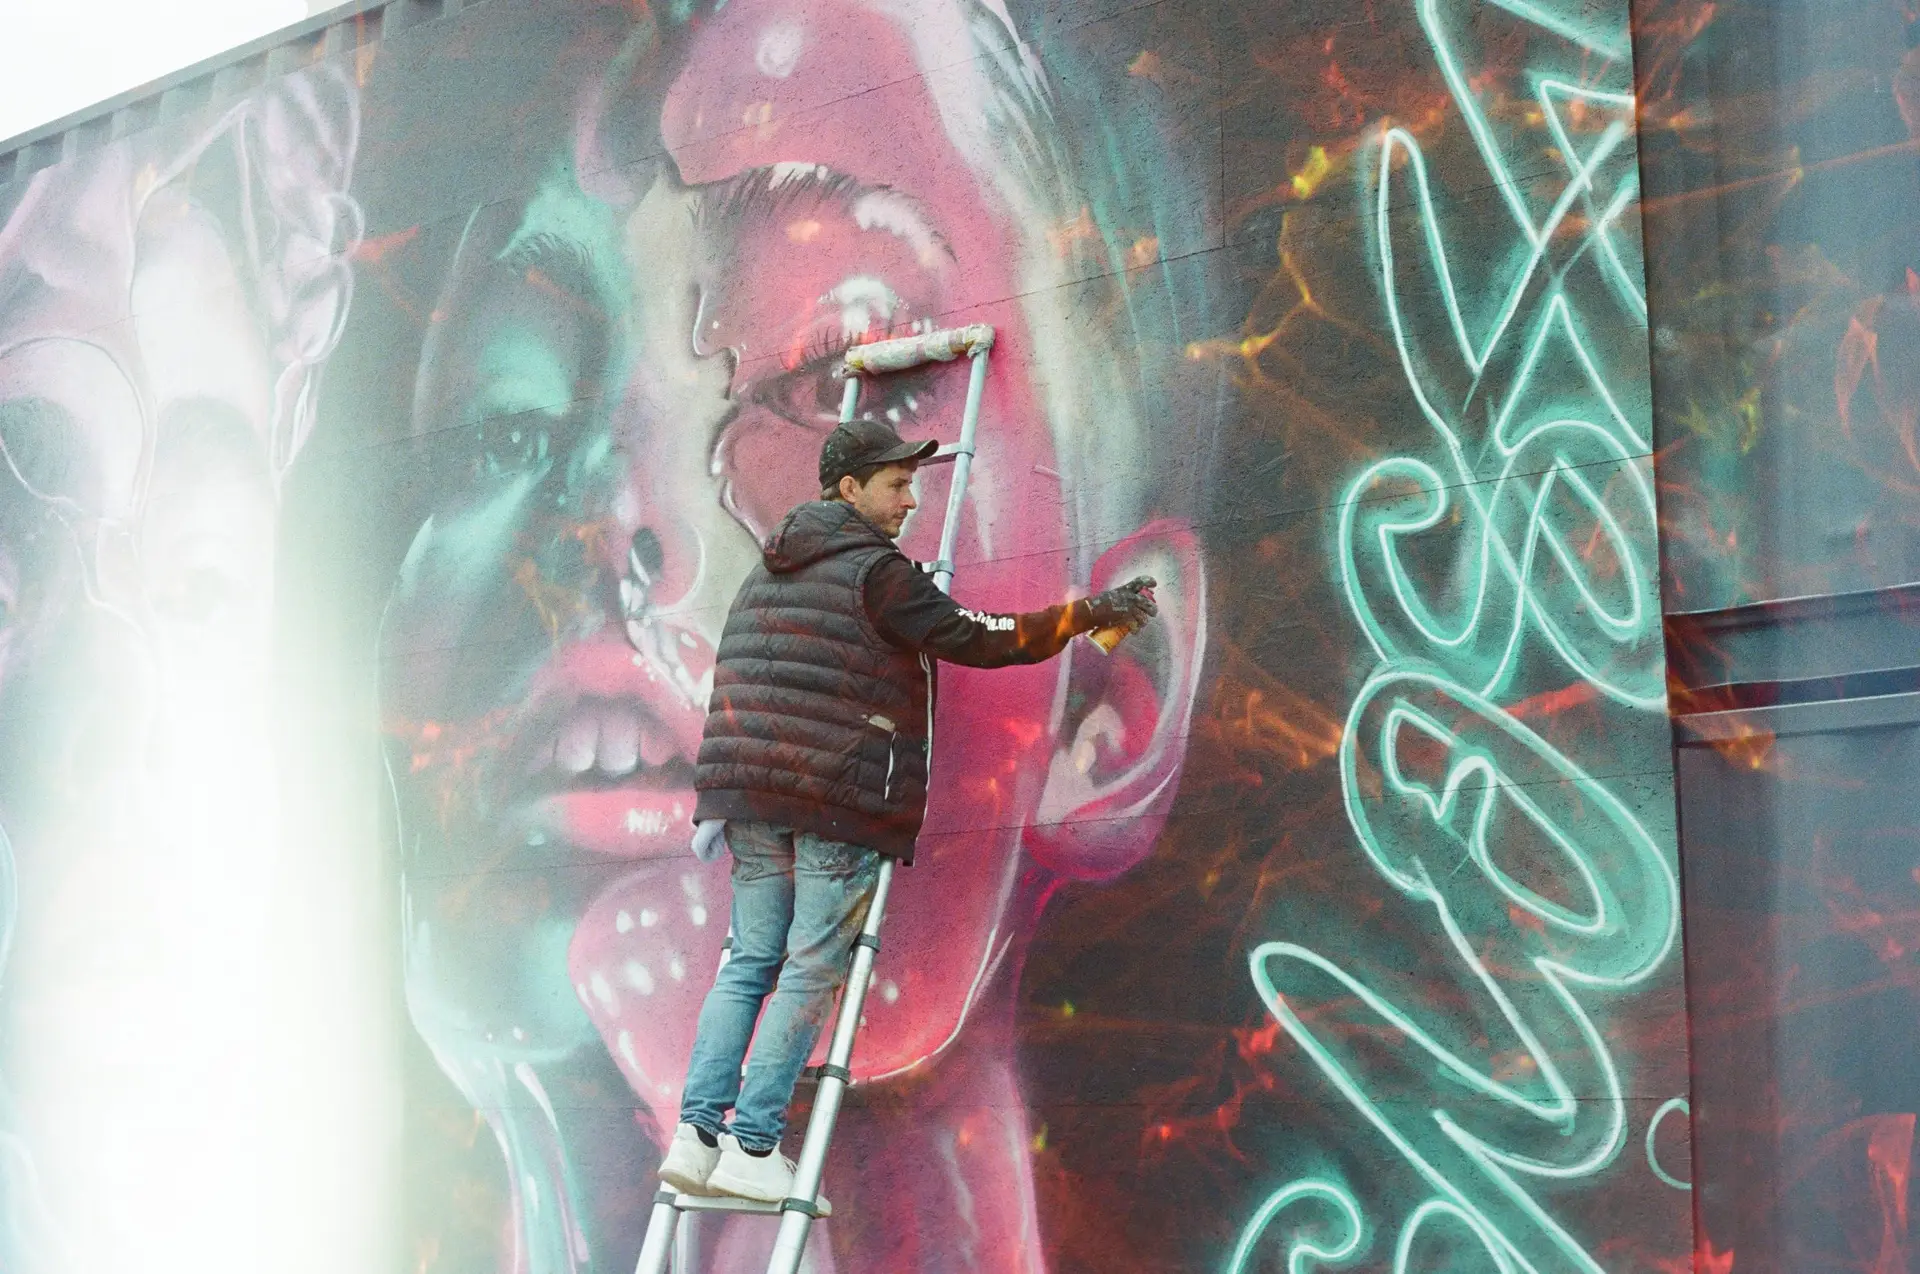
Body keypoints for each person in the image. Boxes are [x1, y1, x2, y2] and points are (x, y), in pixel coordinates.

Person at [656, 416, 1158, 1206]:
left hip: (746, 796)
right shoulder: (878, 576)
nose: (912, 500)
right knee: (810, 968)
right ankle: (752, 1145)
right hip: (833, 799)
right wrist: (1091, 614)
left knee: (749, 963)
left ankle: (695, 1138)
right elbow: (987, 639)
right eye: (896, 484)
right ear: (849, 488)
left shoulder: (768, 572)